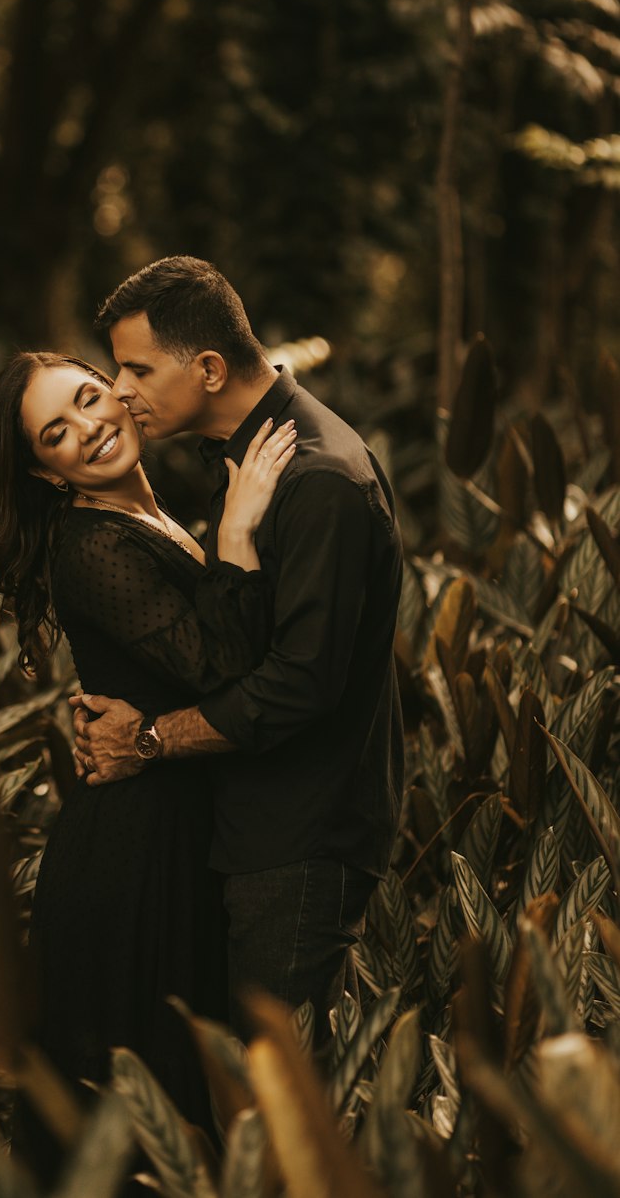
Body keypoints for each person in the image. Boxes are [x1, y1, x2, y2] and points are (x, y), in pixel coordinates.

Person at [72, 256, 404, 1041]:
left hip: (301, 835)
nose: (120, 390)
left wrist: (149, 739)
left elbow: (298, 685)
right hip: (260, 825)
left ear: (210, 368)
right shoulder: (255, 461)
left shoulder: (318, 479)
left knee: (276, 1099)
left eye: (137, 369)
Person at [0, 350, 295, 1142]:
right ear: (48, 473)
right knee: (139, 1113)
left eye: (90, 398)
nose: (89, 427)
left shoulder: (145, 516)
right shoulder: (92, 546)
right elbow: (220, 668)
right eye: (57, 431)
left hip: (177, 823)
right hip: (134, 854)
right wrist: (236, 526)